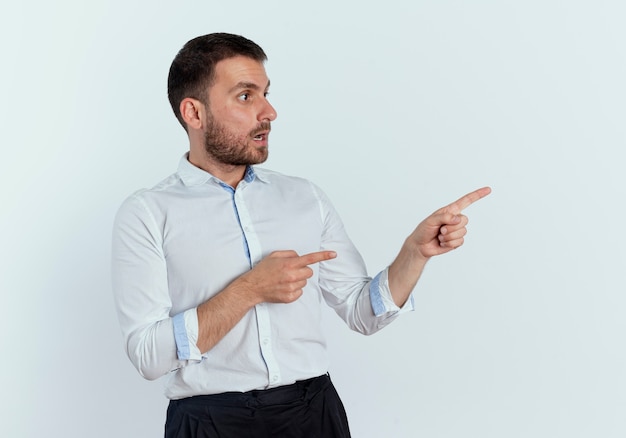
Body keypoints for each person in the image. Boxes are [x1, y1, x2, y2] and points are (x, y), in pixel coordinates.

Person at [111, 32, 491, 438]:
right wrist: (248, 290)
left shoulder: (304, 197)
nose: (269, 111)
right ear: (194, 113)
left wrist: (415, 253)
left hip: (314, 415)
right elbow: (148, 356)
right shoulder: (147, 213)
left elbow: (364, 312)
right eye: (245, 96)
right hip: (209, 423)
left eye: (266, 94)